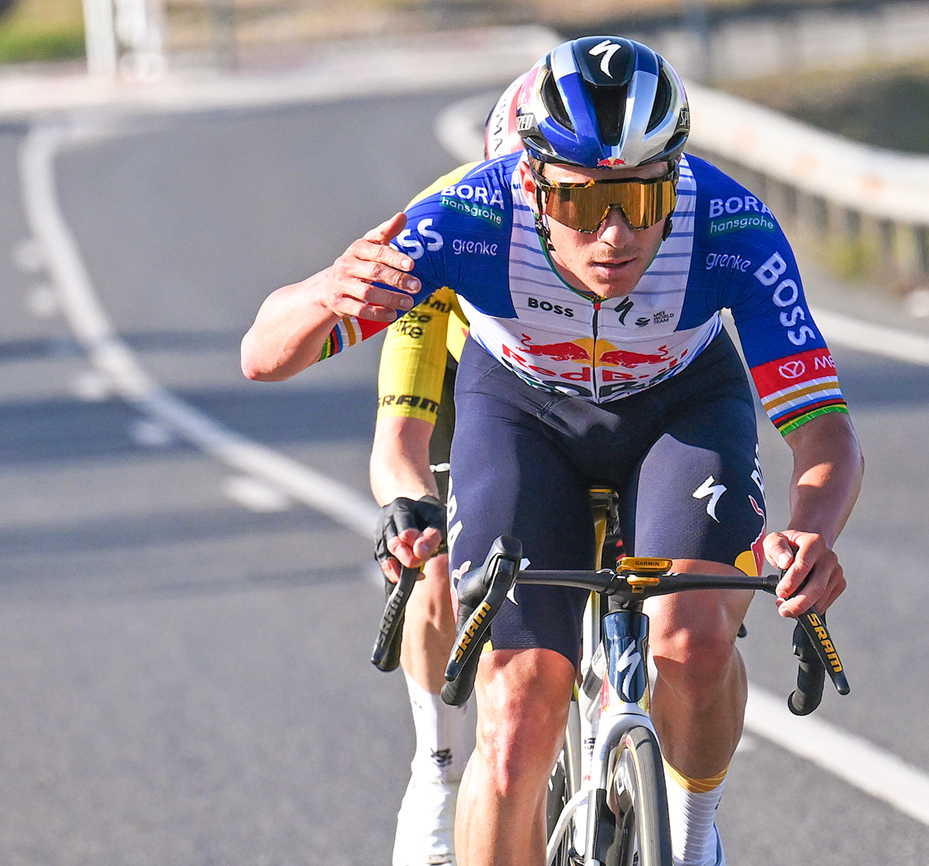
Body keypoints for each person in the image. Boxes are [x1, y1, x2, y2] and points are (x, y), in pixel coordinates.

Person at [240, 35, 863, 866]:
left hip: (680, 408)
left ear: (675, 182)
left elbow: (823, 428)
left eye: (642, 202)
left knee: (693, 641)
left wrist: (815, 530)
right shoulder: (469, 216)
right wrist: (323, 292)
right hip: (521, 414)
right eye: (580, 204)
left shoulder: (731, 227)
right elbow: (262, 357)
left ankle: (694, 839)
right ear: (530, 185)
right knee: (519, 710)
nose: (613, 236)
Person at [369, 74, 529, 866]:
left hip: (591, 388)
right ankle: (439, 765)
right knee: (434, 566)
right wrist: (410, 508)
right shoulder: (443, 225)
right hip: (471, 385)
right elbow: (398, 438)